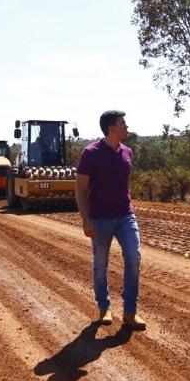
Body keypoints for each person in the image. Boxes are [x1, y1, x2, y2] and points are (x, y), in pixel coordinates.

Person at [74, 110, 145, 330]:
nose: (127, 126)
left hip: (125, 216)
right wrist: (86, 219)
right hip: (100, 218)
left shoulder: (127, 152)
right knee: (101, 265)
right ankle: (104, 308)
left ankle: (130, 312)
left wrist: (128, 200)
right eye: (123, 123)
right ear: (111, 128)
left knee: (133, 257)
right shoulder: (91, 153)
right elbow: (80, 188)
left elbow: (126, 181)